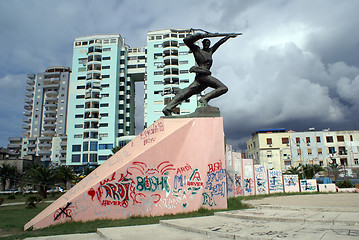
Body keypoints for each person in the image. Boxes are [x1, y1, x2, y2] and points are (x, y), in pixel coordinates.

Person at [162, 31, 238, 116]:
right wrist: (200, 35)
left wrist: (228, 36)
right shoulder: (197, 50)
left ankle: (168, 108)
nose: (207, 44)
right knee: (223, 88)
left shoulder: (210, 52)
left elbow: (219, 43)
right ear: (202, 43)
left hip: (203, 77)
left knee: (186, 92)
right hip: (203, 76)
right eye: (205, 43)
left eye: (208, 43)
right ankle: (204, 98)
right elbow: (186, 40)